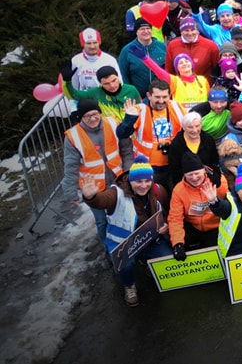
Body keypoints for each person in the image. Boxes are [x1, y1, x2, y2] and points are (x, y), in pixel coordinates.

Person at [80, 156, 171, 307]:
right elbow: (102, 200)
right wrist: (91, 197)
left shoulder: (157, 190)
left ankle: (147, 263)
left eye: (147, 181)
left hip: (150, 239)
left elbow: (164, 212)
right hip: (123, 244)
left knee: (167, 257)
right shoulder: (117, 193)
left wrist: (164, 225)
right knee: (125, 266)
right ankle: (129, 286)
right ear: (130, 180)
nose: (143, 185)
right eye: (138, 181)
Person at [61, 99, 134, 250]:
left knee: (125, 216)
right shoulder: (72, 136)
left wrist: (128, 173)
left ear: (99, 113)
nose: (92, 118)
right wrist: (70, 192)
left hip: (119, 181)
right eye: (87, 116)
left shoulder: (113, 124)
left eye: (95, 114)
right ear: (80, 117)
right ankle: (111, 250)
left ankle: (131, 246)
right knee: (102, 221)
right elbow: (70, 167)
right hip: (94, 188)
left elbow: (126, 150)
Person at [117, 80, 185, 191]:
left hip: (173, 163)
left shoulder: (177, 107)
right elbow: (122, 134)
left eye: (165, 97)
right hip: (148, 166)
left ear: (170, 96)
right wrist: (129, 118)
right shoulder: (139, 109)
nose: (161, 101)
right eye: (157, 97)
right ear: (149, 95)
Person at [168, 152, 229, 258]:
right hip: (193, 228)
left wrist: (218, 186)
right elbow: (175, 218)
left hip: (217, 226)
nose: (194, 177)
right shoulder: (178, 190)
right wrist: (178, 243)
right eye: (190, 175)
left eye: (197, 173)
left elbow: (227, 204)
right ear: (184, 175)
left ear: (203, 170)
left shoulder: (217, 179)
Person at [60, 64, 142, 123]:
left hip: (132, 133)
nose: (112, 85)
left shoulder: (131, 90)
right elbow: (74, 95)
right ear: (100, 84)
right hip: (110, 134)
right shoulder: (95, 92)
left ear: (118, 77)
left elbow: (142, 110)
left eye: (114, 80)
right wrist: (67, 81)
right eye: (106, 83)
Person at [117, 18, 167, 98]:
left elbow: (168, 72)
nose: (146, 31)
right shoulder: (127, 50)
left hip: (160, 96)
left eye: (148, 28)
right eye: (142, 29)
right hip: (138, 96)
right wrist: (131, 94)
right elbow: (123, 75)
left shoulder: (162, 47)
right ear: (136, 32)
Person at [70, 28, 121, 92]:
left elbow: (119, 83)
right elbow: (74, 86)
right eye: (88, 43)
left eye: (95, 42)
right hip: (85, 99)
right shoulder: (76, 60)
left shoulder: (110, 60)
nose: (92, 46)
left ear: (99, 42)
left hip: (105, 99)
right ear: (83, 44)